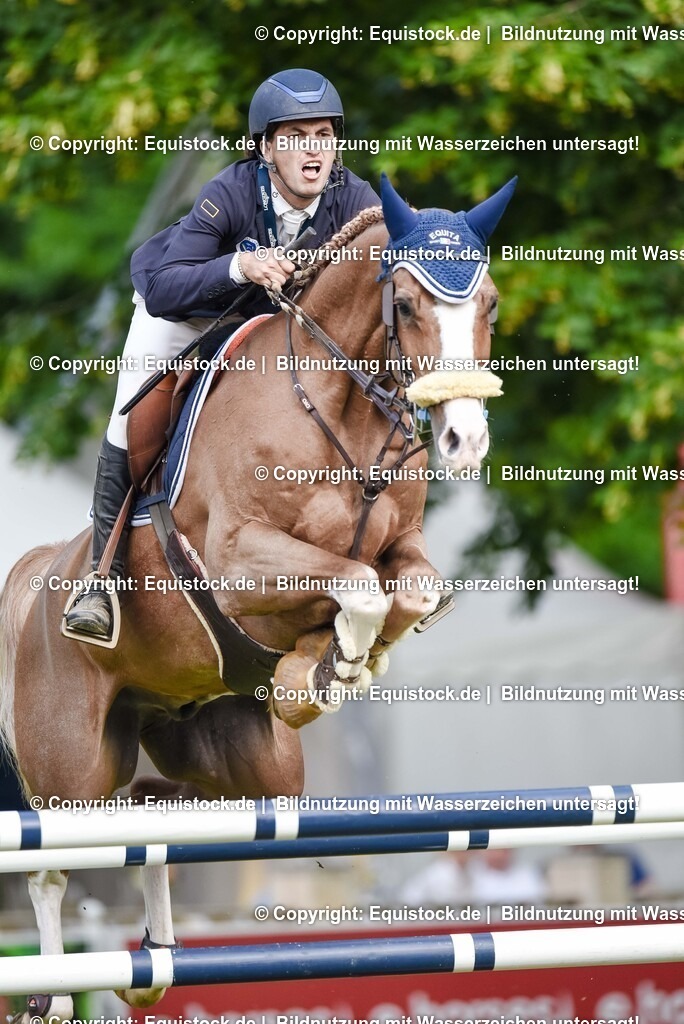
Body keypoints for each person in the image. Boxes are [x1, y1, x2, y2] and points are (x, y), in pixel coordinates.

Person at [65, 69, 380, 642]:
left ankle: (392, 553)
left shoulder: (355, 200)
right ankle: (100, 579)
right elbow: (165, 287)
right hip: (183, 315)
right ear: (266, 149)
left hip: (272, 329)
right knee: (129, 414)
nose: (313, 150)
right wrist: (241, 265)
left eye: (324, 135)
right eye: (295, 137)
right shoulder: (228, 193)